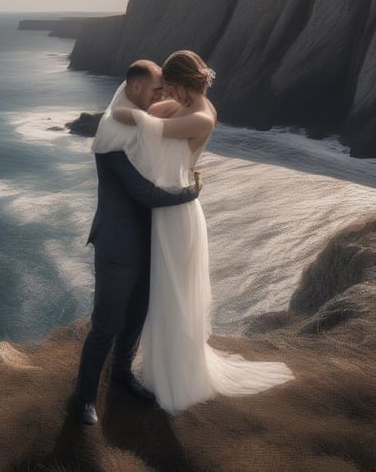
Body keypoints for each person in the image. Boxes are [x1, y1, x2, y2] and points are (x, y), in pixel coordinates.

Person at [113, 50, 294, 412]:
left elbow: (135, 119)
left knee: (174, 295)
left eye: (171, 87)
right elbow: (148, 115)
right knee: (162, 292)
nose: (168, 94)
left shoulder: (199, 118)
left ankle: (177, 377)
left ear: (183, 84)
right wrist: (155, 99)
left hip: (177, 212)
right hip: (167, 205)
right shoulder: (184, 108)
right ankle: (159, 368)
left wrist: (129, 101)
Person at [75, 60, 201, 426]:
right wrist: (190, 193)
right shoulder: (113, 137)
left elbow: (178, 123)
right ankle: (84, 399)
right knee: (106, 324)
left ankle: (121, 374)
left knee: (136, 316)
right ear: (134, 89)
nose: (161, 94)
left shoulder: (138, 125)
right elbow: (145, 193)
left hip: (149, 243)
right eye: (155, 89)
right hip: (117, 247)